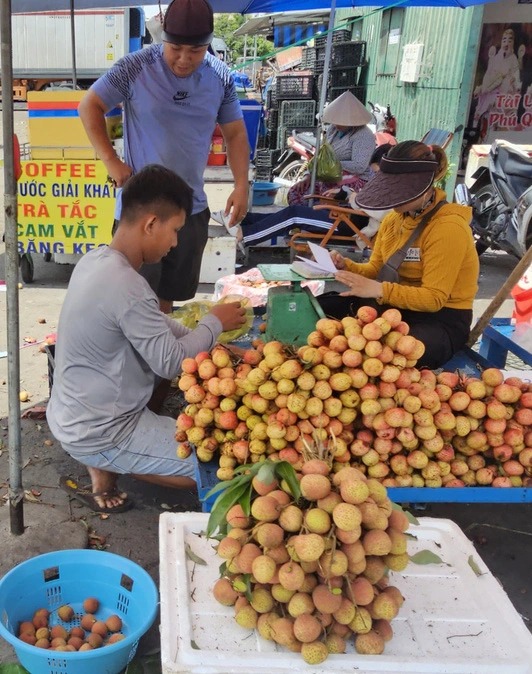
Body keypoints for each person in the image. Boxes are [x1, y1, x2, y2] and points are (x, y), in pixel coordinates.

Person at [47, 165, 247, 513]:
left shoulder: (97, 261)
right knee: (223, 466)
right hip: (101, 428)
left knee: (155, 372)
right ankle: (109, 456)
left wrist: (211, 342)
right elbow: (171, 360)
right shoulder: (127, 285)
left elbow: (160, 326)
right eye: (175, 231)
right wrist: (214, 323)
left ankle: (104, 464)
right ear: (151, 223)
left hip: (70, 412)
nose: (174, 243)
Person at [78, 0, 250, 314]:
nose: (184, 59)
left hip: (190, 209)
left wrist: (241, 185)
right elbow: (89, 106)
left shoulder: (221, 77)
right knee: (130, 301)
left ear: (209, 44)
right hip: (141, 213)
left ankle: (163, 360)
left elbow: (236, 134)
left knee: (167, 302)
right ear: (163, 38)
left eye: (196, 51)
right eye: (176, 48)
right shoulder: (134, 67)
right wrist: (110, 160)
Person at [318, 141, 479, 369]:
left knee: (388, 354)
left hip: (440, 319)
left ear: (424, 187)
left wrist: (378, 290)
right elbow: (376, 269)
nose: (392, 200)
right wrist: (346, 266)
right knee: (322, 309)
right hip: (397, 308)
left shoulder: (448, 228)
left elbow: (433, 299)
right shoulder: (395, 219)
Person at [212, 144, 391, 249]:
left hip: (347, 224)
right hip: (343, 215)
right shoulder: (384, 184)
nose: (376, 176)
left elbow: (372, 209)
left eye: (378, 172)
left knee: (295, 214)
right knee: (291, 212)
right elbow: (362, 198)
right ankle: (239, 220)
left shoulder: (393, 192)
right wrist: (345, 193)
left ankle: (246, 235)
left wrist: (353, 199)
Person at [288, 91, 376, 205]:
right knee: (295, 193)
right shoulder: (333, 129)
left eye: (340, 121)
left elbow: (359, 166)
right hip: (327, 178)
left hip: (352, 185)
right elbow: (321, 156)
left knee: (321, 202)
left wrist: (331, 164)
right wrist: (308, 175)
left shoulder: (364, 135)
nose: (336, 124)